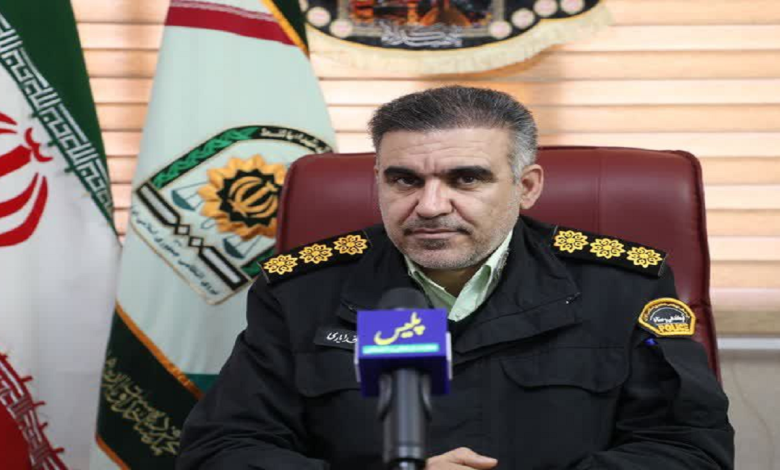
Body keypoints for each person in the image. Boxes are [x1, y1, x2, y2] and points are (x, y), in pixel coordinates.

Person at [177, 86, 734, 469]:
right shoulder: (301, 290)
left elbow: (688, 448)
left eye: (466, 179)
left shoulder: (623, 284)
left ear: (527, 187)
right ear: (378, 181)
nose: (429, 206)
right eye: (403, 180)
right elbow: (223, 448)